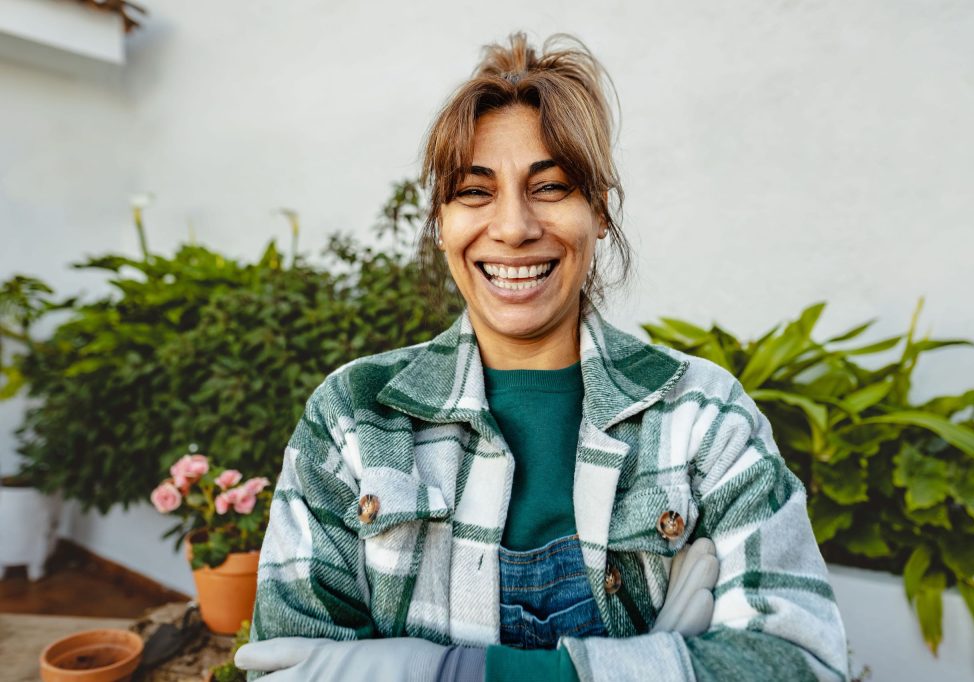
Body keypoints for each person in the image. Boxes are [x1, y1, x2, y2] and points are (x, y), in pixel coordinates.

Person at [234, 32, 848, 681]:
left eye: (550, 186)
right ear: (441, 222)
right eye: (475, 192)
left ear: (599, 211)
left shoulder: (703, 415)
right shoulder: (355, 417)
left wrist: (448, 674)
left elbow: (799, 661)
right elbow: (284, 668)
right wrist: (663, 661)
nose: (514, 226)